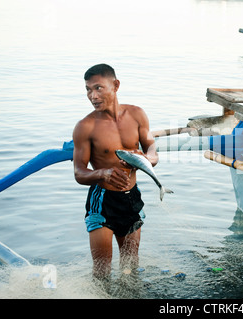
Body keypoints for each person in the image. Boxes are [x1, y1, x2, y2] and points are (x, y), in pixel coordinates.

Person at [72, 64, 158, 280]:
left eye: (98, 88)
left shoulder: (137, 114)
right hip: (102, 201)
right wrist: (103, 173)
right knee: (102, 273)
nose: (93, 96)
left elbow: (152, 149)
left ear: (116, 85)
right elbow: (79, 173)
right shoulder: (85, 126)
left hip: (131, 198)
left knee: (130, 270)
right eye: (88, 90)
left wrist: (146, 160)